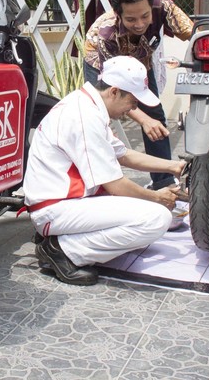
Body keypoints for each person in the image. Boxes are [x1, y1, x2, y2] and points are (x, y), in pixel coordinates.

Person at [23, 56, 186, 286]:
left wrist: (173, 166)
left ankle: (65, 240)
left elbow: (123, 154)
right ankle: (62, 250)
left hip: (65, 201)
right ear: (114, 92)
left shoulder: (88, 105)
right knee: (157, 218)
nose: (134, 108)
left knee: (142, 216)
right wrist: (157, 198)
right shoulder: (84, 116)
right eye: (133, 101)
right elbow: (115, 185)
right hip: (55, 208)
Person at [84, 0, 193, 189]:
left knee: (156, 116)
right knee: (98, 117)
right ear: (119, 14)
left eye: (145, 16)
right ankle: (100, 184)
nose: (140, 24)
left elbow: (191, 32)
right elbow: (113, 94)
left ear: (152, 7)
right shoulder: (104, 35)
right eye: (131, 19)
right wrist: (142, 119)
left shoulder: (162, 3)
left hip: (140, 60)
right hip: (103, 66)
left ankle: (165, 183)